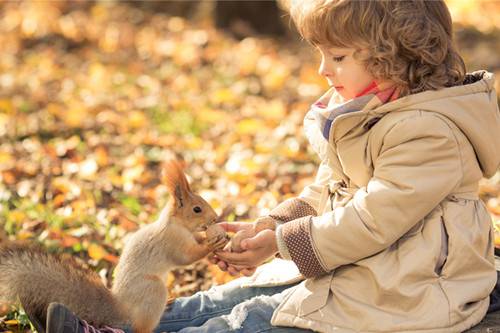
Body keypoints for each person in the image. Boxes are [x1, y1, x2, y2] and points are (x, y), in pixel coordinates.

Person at [43, 0, 500, 332]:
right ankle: (113, 323)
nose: (322, 69)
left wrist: (280, 244)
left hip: (408, 288)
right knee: (234, 297)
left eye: (336, 57)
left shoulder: (428, 131)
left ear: (391, 58)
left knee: (255, 320)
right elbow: (327, 193)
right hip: (363, 267)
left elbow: (372, 220)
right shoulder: (366, 113)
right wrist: (271, 226)